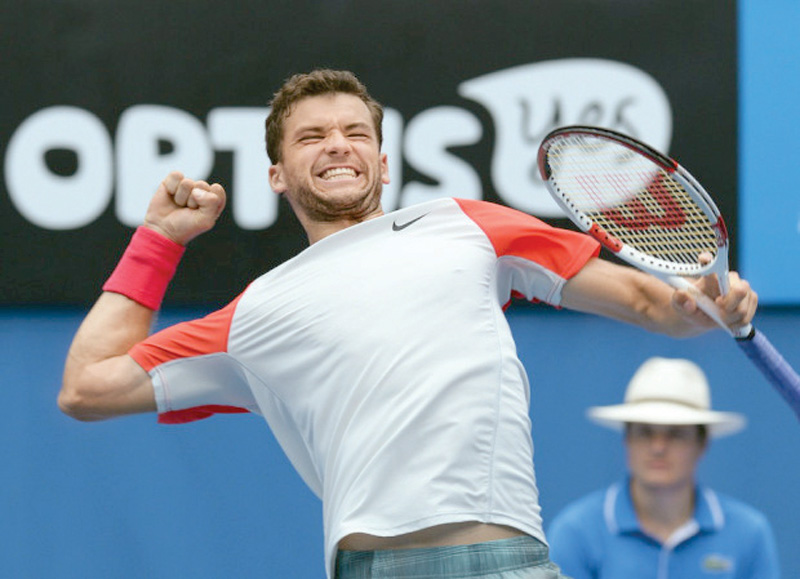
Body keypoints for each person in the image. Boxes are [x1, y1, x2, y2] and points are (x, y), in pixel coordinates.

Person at [59, 69, 758, 579]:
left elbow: (652, 304)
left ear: (383, 162)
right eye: (311, 136)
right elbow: (87, 387)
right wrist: (159, 237)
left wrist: (702, 301)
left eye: (354, 132)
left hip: (507, 562)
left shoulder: (467, 225)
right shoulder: (256, 313)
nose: (337, 145)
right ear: (276, 174)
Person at [547, 357, 780, 579]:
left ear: (702, 444)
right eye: (644, 432)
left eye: (676, 434)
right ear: (626, 439)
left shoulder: (750, 533)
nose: (658, 447)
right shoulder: (575, 532)